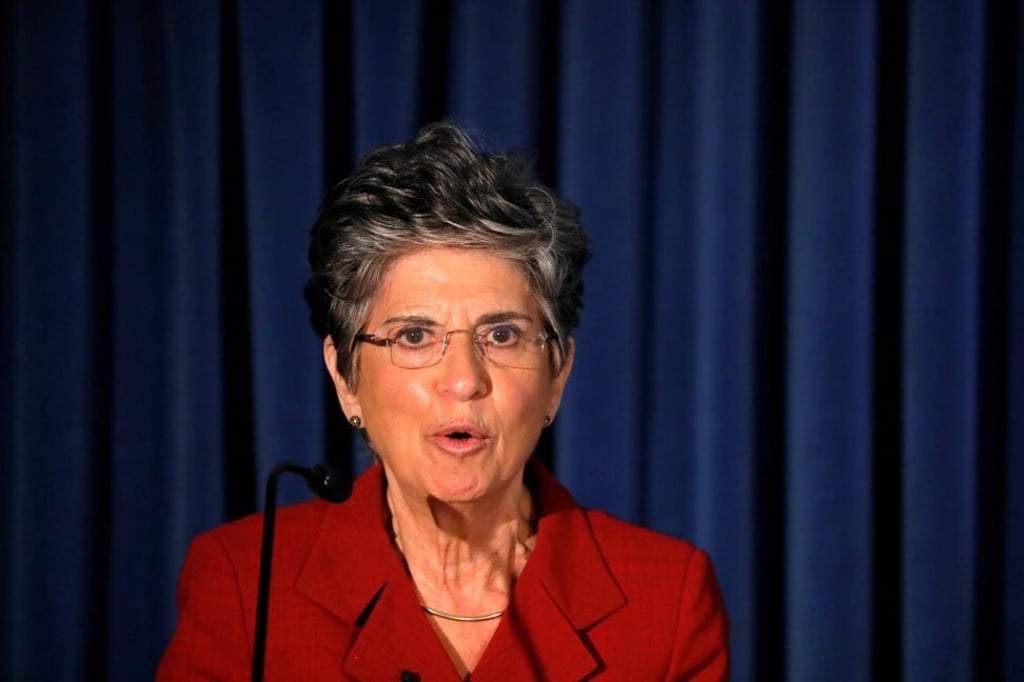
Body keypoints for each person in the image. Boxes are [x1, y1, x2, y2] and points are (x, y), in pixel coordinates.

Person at [157, 122, 729, 680]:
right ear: (346, 377)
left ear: (557, 374)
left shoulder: (667, 598)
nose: (463, 380)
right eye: (414, 336)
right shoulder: (242, 582)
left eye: (501, 334)